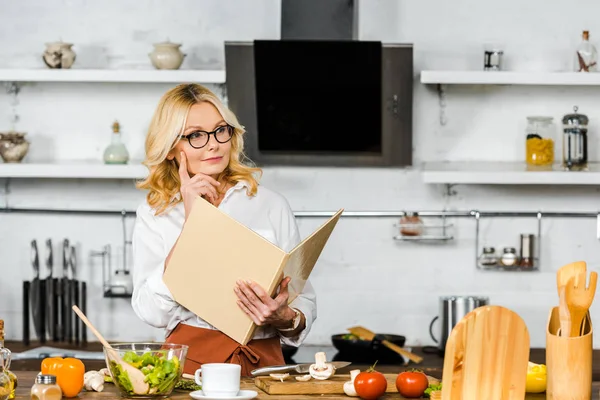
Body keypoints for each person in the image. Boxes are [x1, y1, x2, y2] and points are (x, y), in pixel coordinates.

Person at [130, 83, 317, 376]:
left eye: (220, 130)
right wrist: (194, 226)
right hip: (188, 367)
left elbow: (302, 297)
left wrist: (284, 317)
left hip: (265, 365)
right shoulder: (155, 214)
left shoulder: (270, 204)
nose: (214, 143)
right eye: (195, 136)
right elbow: (150, 312)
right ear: (169, 150)